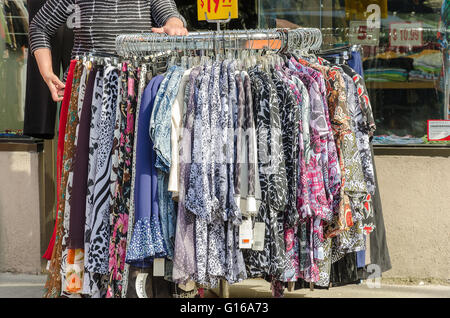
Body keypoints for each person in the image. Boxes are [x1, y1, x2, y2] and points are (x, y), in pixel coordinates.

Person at [29, 0, 188, 103]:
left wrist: (174, 24)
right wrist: (47, 73)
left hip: (136, 92)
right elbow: (39, 26)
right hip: (85, 93)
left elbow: (169, 13)